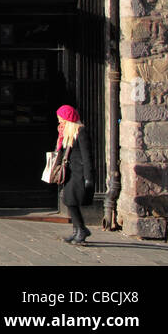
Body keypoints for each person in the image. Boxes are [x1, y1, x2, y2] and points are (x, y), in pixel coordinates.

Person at [54, 104, 95, 244]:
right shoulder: (66, 133)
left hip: (79, 173)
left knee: (70, 201)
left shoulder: (80, 132)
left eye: (61, 119)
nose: (59, 121)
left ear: (68, 119)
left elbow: (87, 156)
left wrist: (89, 178)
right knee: (67, 200)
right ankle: (77, 230)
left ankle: (81, 230)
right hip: (70, 172)